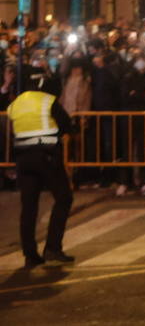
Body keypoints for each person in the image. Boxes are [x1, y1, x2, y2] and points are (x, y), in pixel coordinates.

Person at [8, 67, 76, 266]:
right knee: (64, 198)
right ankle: (53, 248)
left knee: (29, 207)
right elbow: (66, 125)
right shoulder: (48, 101)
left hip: (23, 160)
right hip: (46, 157)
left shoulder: (15, 104)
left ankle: (30, 254)